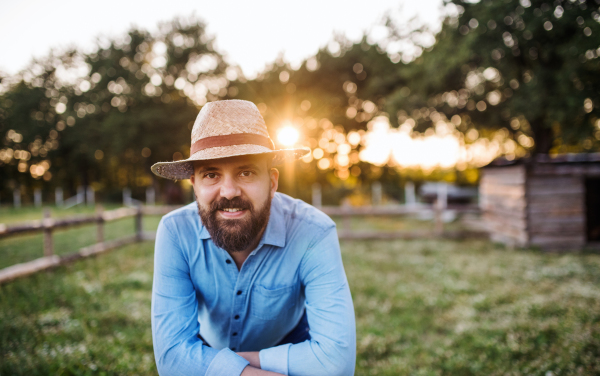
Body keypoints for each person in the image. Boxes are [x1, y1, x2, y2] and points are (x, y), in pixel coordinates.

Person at [150, 100, 356, 376]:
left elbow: (336, 363)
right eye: (211, 174)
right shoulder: (175, 232)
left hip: (282, 344)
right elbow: (171, 361)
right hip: (213, 346)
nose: (229, 191)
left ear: (272, 183)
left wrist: (216, 365)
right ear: (194, 186)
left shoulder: (314, 232)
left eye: (245, 172)